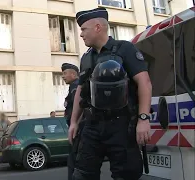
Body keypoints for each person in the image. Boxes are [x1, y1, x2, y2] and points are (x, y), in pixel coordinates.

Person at [68, 7, 152, 180]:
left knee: (125, 175)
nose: (81, 34)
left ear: (98, 27)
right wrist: (74, 122)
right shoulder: (86, 58)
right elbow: (81, 91)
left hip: (121, 125)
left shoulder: (125, 49)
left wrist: (143, 119)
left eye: (84, 29)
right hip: (92, 125)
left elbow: (144, 82)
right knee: (82, 174)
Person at [61, 63, 79, 180]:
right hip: (75, 130)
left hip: (78, 131)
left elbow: (80, 108)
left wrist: (75, 125)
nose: (63, 76)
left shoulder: (76, 87)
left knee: (75, 162)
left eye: (64, 73)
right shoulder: (73, 87)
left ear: (73, 74)